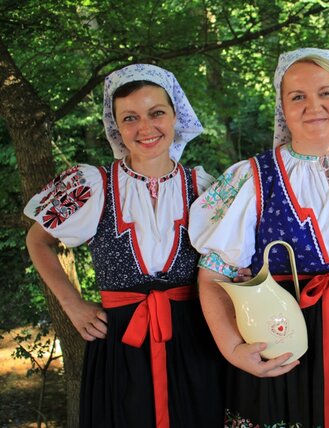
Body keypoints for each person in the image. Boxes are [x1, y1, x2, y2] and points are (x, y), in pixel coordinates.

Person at [188, 48, 329, 427]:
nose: (314, 106)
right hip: (282, 346)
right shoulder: (254, 179)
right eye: (298, 97)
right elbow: (213, 275)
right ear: (282, 106)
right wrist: (234, 349)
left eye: (326, 92)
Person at [24, 64, 226, 427]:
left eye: (156, 113)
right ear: (115, 125)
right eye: (130, 117)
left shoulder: (204, 186)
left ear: (176, 115)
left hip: (194, 338)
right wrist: (73, 306)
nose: (145, 128)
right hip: (119, 340)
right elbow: (37, 240)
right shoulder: (91, 184)